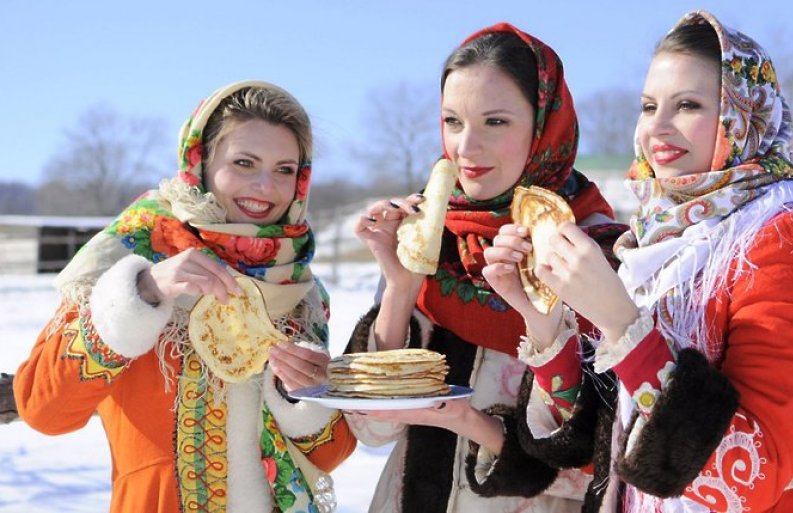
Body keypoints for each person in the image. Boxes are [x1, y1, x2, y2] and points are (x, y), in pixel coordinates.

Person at [480, 10, 793, 513]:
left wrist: (623, 324)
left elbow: (751, 476)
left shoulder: (790, 242)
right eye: (648, 106)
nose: (656, 127)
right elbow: (607, 448)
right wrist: (543, 322)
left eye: (688, 105)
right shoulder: (653, 239)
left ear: (741, 116)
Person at [14, 80, 355, 513]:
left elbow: (328, 457)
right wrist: (143, 293)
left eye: (285, 169)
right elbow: (44, 410)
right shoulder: (132, 253)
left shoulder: (298, 286)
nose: (265, 186)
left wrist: (304, 394)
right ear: (200, 161)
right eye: (244, 163)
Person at [347, 23, 626, 513]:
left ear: (544, 125)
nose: (466, 147)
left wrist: (473, 425)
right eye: (452, 121)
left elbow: (600, 466)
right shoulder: (425, 233)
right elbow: (370, 428)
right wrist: (399, 289)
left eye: (495, 122)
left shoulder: (591, 252)